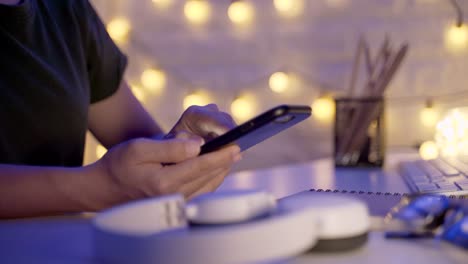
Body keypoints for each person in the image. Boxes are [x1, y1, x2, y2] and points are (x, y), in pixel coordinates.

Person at [0, 0, 241, 219]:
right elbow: (109, 183)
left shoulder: (64, 9)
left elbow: (134, 137)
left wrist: (180, 147)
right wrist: (94, 188)